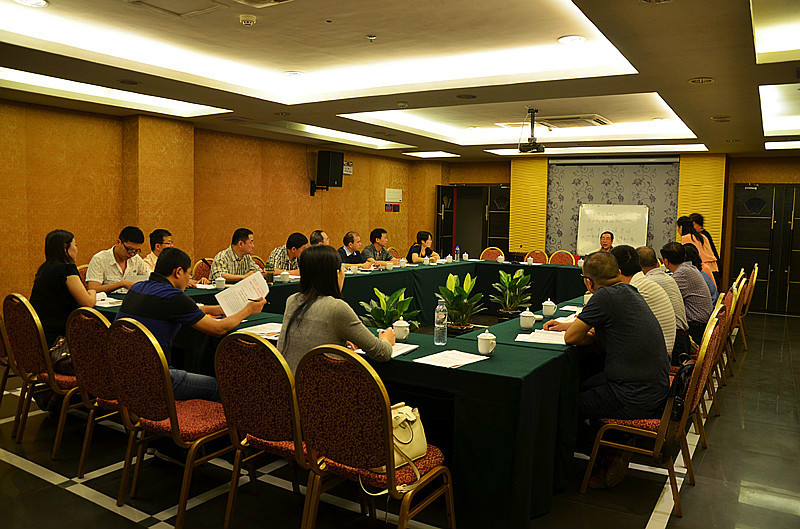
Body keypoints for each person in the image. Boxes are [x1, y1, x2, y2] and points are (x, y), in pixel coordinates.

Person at [544, 251, 669, 488]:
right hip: (654, 389)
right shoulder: (629, 291)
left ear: (588, 282)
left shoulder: (604, 296)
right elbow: (604, 331)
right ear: (617, 272)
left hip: (632, 397)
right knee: (584, 382)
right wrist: (570, 327)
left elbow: (572, 338)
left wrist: (576, 331)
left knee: (564, 403)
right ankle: (612, 444)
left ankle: (607, 453)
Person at [116, 247, 265, 401]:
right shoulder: (174, 297)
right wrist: (248, 309)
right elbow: (219, 329)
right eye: (189, 274)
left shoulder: (137, 288)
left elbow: (177, 309)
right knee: (226, 388)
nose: (189, 279)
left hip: (124, 374)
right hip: (157, 379)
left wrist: (214, 309)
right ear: (178, 272)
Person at [277, 244, 394, 373]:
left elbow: (310, 336)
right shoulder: (337, 308)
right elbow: (381, 353)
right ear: (337, 274)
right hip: (322, 383)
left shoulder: (292, 300)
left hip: (289, 382)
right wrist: (386, 339)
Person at [30, 229, 97, 361]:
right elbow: (88, 303)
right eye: (75, 245)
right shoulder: (66, 269)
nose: (77, 249)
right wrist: (93, 290)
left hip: (38, 336)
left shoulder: (44, 269)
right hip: (58, 339)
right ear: (65, 247)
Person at [610, 245, 676, 354]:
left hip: (654, 357)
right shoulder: (643, 282)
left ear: (617, 271)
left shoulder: (634, 288)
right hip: (662, 352)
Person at [637, 246, 690, 365]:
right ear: (657, 261)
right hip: (682, 339)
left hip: (674, 346)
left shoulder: (648, 282)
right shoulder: (666, 277)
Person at [660, 242, 713, 347]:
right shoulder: (689, 268)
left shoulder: (682, 273)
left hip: (696, 329)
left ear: (665, 261)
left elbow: (665, 296)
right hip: (702, 324)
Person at [86, 226, 150, 294]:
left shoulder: (136, 259)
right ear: (118, 242)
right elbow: (93, 289)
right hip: (107, 299)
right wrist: (121, 284)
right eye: (129, 249)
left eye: (136, 250)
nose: (132, 254)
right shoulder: (99, 259)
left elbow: (150, 279)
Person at [677, 216, 718, 286]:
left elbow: (686, 258)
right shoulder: (703, 236)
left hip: (702, 270)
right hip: (714, 269)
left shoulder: (686, 238)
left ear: (681, 227)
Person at [689, 212, 720, 285]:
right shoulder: (702, 234)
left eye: (693, 225)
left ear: (700, 225)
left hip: (711, 268)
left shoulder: (701, 236)